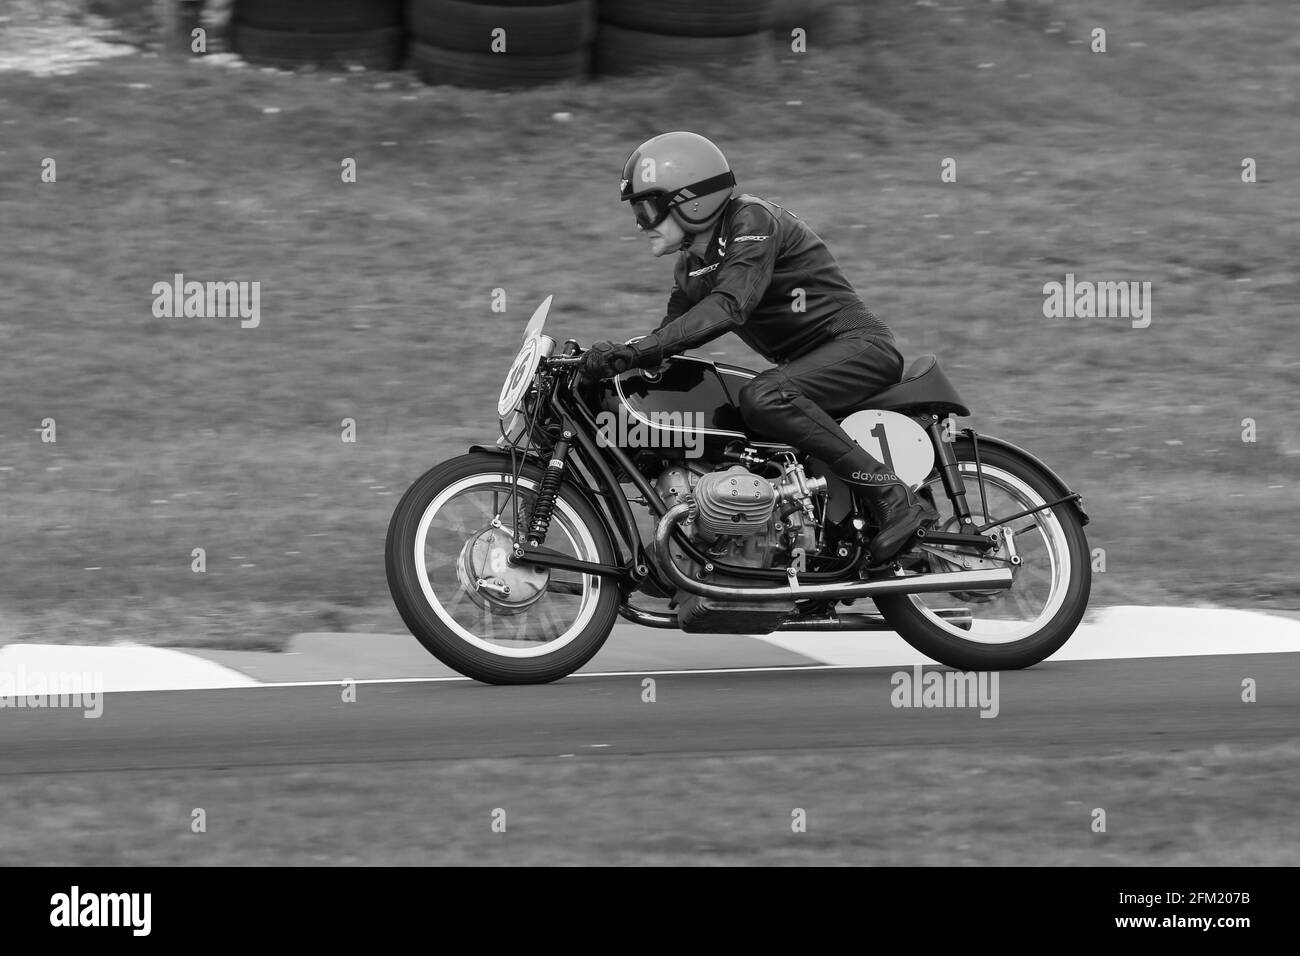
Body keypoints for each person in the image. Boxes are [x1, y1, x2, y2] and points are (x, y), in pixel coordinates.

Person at [580, 130, 936, 563]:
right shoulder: (690, 267)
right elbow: (671, 337)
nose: (640, 225)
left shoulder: (751, 220)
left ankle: (894, 497)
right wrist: (608, 362)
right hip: (810, 366)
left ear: (691, 201)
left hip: (858, 345)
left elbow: (731, 305)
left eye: (647, 209)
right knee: (732, 414)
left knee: (763, 395)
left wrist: (640, 351)